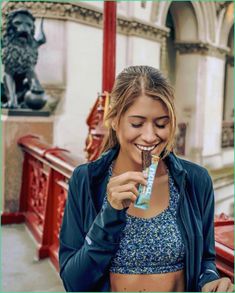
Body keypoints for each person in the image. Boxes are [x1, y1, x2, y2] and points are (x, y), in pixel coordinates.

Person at [59, 66, 234, 292]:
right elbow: (74, 283)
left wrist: (211, 279)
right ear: (114, 120)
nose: (150, 136)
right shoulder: (86, 180)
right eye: (137, 124)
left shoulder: (195, 181)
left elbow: (205, 261)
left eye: (161, 124)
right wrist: (110, 214)